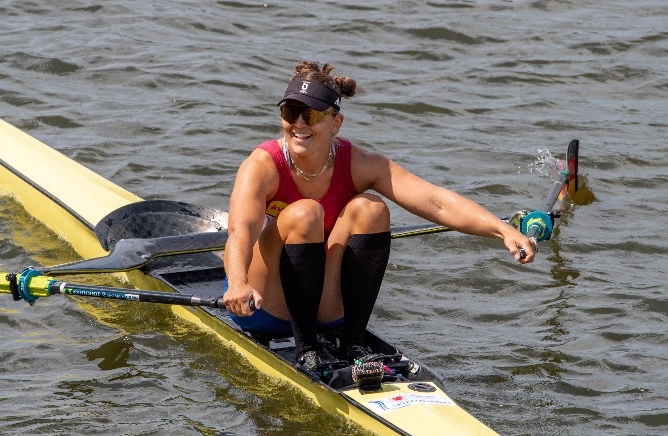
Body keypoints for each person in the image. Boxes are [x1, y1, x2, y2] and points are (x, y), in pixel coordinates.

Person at [222, 61, 536, 373]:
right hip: (263, 307)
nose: (299, 124)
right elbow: (239, 233)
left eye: (312, 115)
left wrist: (501, 230)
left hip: (324, 305)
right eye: (291, 112)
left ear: (336, 123)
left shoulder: (358, 163)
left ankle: (353, 343)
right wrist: (236, 284)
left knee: (371, 209)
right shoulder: (262, 166)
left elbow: (436, 203)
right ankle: (306, 352)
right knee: (306, 212)